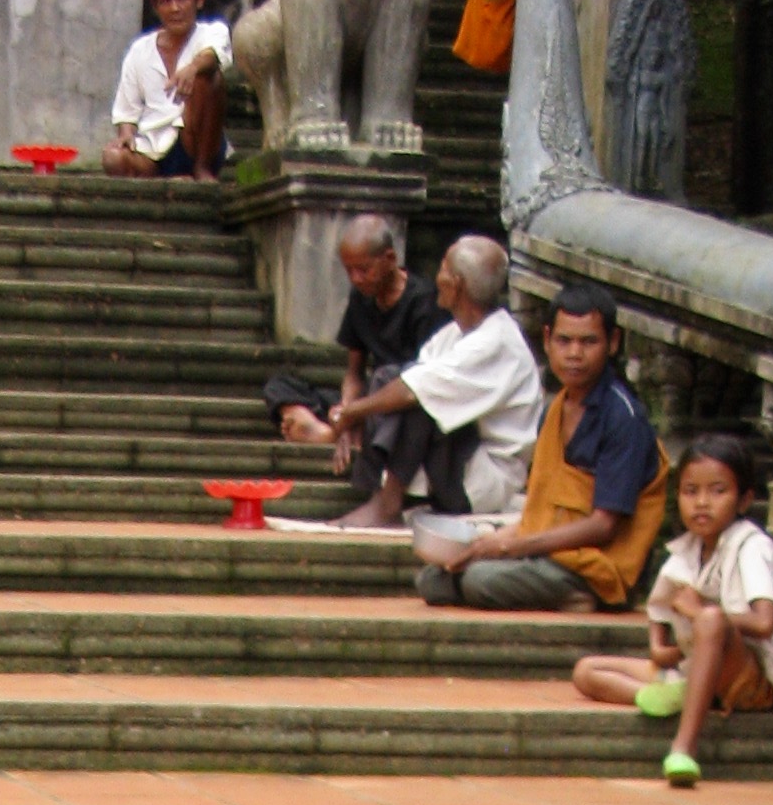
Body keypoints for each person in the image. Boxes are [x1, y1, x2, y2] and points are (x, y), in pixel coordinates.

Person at [414, 277, 666, 610]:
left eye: (588, 342)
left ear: (613, 342)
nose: (575, 354)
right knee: (432, 580)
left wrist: (511, 549)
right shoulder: (556, 408)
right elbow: (543, 512)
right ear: (547, 340)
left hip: (596, 565)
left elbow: (604, 525)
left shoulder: (623, 417)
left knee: (481, 581)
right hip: (549, 554)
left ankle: (586, 596)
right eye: (564, 341)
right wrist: (490, 542)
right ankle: (555, 592)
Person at [572, 430, 773, 783]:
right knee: (587, 671)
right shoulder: (684, 551)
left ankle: (683, 747)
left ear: (744, 499)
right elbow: (659, 625)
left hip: (750, 678)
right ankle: (669, 695)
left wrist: (697, 613)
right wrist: (663, 650)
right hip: (691, 668)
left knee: (711, 620)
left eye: (717, 491)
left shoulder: (752, 546)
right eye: (691, 492)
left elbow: (764, 623)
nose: (702, 503)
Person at [309, 232, 543, 536]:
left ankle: (389, 502)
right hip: (454, 463)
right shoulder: (454, 333)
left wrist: (352, 412)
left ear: (456, 283)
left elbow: (414, 390)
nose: (437, 277)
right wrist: (357, 409)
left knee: (420, 397)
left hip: (484, 479)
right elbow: (406, 376)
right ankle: (377, 490)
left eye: (443, 269)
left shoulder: (495, 341)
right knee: (389, 377)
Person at [264, 219, 451, 515]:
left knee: (384, 379)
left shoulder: (424, 302)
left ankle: (330, 433)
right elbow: (354, 371)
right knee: (280, 385)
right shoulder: (360, 299)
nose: (356, 278)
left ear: (389, 259)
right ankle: (336, 428)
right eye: (349, 270)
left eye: (364, 269)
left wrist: (354, 414)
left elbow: (421, 380)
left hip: (399, 403)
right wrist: (348, 409)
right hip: (365, 403)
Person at [105, 0, 230, 179]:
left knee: (210, 78)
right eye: (166, 0)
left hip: (194, 141)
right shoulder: (140, 50)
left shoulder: (213, 32)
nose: (175, 8)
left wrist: (193, 68)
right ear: (156, 6)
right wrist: (126, 134)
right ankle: (168, 179)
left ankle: (200, 169)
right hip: (152, 149)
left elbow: (213, 56)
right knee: (112, 157)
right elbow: (126, 110)